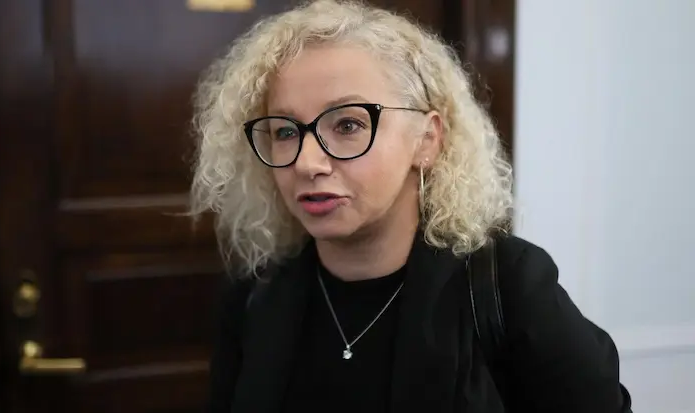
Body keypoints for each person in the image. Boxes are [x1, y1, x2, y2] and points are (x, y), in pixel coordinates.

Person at [188, 0, 633, 412]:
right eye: (285, 132)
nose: (307, 163)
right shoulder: (255, 296)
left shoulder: (511, 286)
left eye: (348, 125)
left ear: (426, 139)